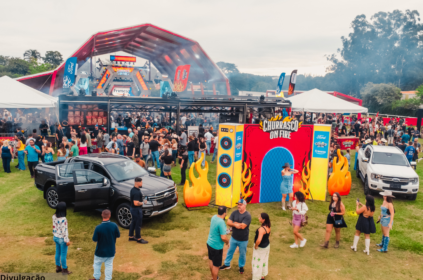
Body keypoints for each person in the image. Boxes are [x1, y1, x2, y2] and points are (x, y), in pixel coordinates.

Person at [220, 199, 251, 274]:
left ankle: (241, 266)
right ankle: (227, 264)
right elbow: (228, 222)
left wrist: (233, 223)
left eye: (240, 205)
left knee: (242, 254)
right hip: (233, 237)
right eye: (238, 204)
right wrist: (235, 224)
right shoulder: (234, 213)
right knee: (230, 251)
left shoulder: (247, 216)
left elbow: (243, 226)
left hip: (243, 239)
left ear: (244, 205)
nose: (238, 206)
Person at [91, 210, 120, 280]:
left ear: (102, 215)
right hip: (111, 251)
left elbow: (94, 239)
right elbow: (118, 235)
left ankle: (96, 278)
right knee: (109, 266)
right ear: (109, 216)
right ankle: (108, 278)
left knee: (97, 264)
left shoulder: (98, 228)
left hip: (100, 252)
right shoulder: (114, 225)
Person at [207, 206, 229, 280]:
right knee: (216, 266)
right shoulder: (221, 222)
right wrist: (227, 242)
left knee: (211, 261)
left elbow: (219, 230)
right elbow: (223, 237)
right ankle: (214, 278)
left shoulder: (214, 217)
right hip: (217, 247)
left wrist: (227, 231)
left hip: (209, 243)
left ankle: (213, 277)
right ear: (224, 213)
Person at [53, 202, 72, 275]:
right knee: (63, 254)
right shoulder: (63, 219)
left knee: (57, 252)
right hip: (62, 239)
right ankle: (64, 269)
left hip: (56, 237)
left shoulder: (54, 216)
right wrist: (67, 240)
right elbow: (64, 231)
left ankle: (58, 267)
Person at [128, 177, 148, 244]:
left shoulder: (133, 189)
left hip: (132, 209)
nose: (142, 183)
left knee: (133, 222)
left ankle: (131, 236)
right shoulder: (136, 192)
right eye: (141, 182)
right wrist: (143, 202)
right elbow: (136, 203)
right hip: (136, 210)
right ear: (138, 182)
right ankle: (138, 238)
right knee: (138, 224)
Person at [252, 213, 271, 280]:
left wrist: (256, 246)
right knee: (264, 261)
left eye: (260, 217)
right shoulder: (268, 226)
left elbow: (259, 240)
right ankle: (262, 275)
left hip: (260, 248)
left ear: (263, 219)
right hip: (266, 246)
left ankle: (257, 277)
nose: (258, 218)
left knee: (257, 262)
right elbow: (269, 235)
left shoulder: (261, 229)